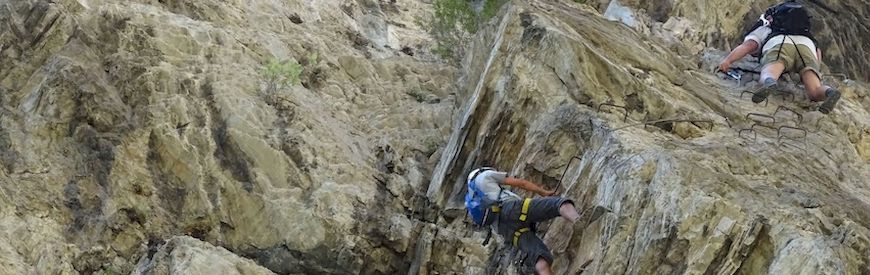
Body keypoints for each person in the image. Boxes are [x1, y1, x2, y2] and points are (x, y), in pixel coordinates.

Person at [719, 1, 840, 114]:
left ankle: (769, 82)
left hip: (779, 44)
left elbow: (749, 45)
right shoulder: (808, 36)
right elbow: (817, 54)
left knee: (769, 73)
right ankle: (829, 92)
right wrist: (813, 72)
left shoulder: (766, 29)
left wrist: (727, 61)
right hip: (806, 47)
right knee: (814, 90)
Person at [465, 167, 581, 275]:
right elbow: (521, 183)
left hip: (505, 231)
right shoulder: (485, 175)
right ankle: (578, 220)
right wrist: (543, 192)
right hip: (511, 209)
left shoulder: (472, 199)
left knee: (538, 256)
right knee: (557, 203)